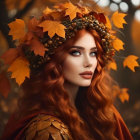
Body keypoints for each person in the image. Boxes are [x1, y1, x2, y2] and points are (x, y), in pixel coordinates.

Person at [1, 2, 133, 140]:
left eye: (93, 53)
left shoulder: (103, 114)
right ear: (54, 60)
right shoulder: (47, 128)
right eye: (76, 53)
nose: (89, 63)